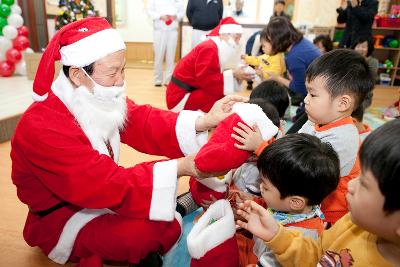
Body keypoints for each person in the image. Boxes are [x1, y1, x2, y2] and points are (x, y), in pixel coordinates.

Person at [10, 17, 247, 267]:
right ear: (78, 75)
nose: (121, 81)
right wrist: (182, 167)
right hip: (62, 219)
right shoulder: (42, 126)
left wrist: (205, 120)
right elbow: (103, 183)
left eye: (123, 69)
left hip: (97, 198)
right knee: (151, 233)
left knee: (163, 222)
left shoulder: (90, 95)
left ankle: (176, 209)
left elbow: (142, 121)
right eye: (113, 72)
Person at [233, 49, 374, 225]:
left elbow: (299, 173)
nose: (305, 100)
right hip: (305, 200)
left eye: (313, 95)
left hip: (325, 215)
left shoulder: (343, 139)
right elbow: (292, 148)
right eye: (307, 93)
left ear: (342, 103)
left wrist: (261, 147)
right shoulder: (316, 120)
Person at [237, 119, 400, 267]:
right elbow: (316, 253)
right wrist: (276, 235)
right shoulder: (352, 223)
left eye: (364, 184)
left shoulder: (310, 230)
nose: (350, 184)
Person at [252, 133, 340, 267]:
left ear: (295, 202)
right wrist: (254, 201)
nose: (260, 187)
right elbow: (274, 207)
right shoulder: (301, 206)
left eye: (266, 187)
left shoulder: (301, 239)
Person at [166, 17, 255, 113]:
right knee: (221, 97)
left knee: (224, 96)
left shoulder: (216, 47)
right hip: (179, 97)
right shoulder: (209, 48)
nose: (238, 42)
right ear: (224, 35)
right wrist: (233, 74)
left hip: (189, 91)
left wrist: (237, 73)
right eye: (236, 38)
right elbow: (205, 80)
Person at [261, 17, 320, 120]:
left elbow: (300, 88)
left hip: (317, 96)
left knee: (297, 121)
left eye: (270, 39)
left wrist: (277, 78)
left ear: (278, 38)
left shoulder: (294, 56)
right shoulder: (301, 42)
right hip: (316, 91)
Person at [148, 0, 185, 86]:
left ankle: (168, 80)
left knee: (170, 57)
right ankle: (158, 80)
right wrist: (160, 16)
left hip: (172, 30)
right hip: (159, 30)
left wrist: (176, 16)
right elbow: (150, 11)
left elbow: (182, 12)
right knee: (159, 56)